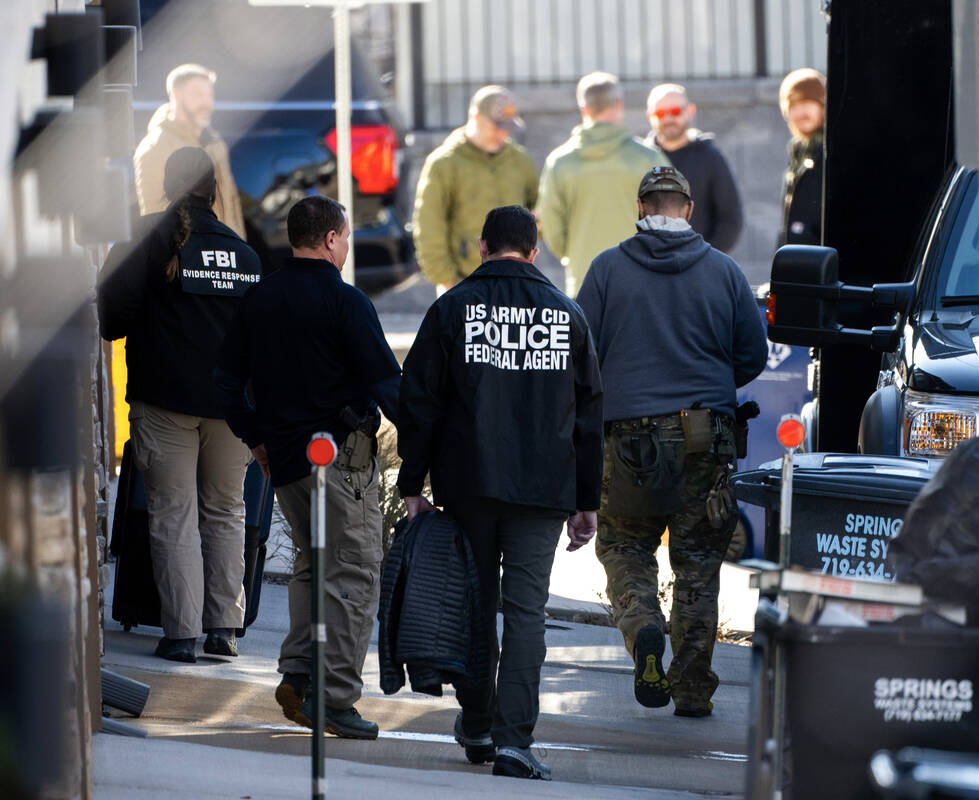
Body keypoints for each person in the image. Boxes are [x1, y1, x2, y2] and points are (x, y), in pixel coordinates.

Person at [395, 205, 603, 779]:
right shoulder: (568, 316)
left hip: (469, 485)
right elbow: (589, 419)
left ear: (483, 247)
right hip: (543, 491)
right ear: (535, 252)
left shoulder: (451, 309)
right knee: (527, 613)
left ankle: (480, 721)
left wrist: (412, 482)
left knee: (476, 606)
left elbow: (421, 404)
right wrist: (588, 502)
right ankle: (514, 742)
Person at [576, 166, 767, 718]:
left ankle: (643, 631)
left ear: (641, 208)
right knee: (699, 563)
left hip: (630, 439)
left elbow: (580, 352)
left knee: (623, 545)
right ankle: (690, 689)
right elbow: (751, 354)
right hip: (707, 435)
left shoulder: (607, 269)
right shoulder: (725, 272)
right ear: (686, 209)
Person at [215, 195, 403, 740]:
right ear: (330, 239)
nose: (347, 246)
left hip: (287, 461)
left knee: (311, 565)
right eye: (345, 236)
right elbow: (389, 386)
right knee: (354, 572)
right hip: (341, 460)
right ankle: (335, 698)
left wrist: (256, 439)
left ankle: (298, 676)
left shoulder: (260, 298)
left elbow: (226, 384)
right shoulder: (346, 303)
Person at [98, 147, 262, 663]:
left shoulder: (143, 239)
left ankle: (182, 635)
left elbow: (111, 319)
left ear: (167, 186)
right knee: (226, 512)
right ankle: (224, 629)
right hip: (230, 409)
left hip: (164, 401)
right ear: (214, 192)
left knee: (173, 515)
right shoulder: (244, 252)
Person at [537, 72, 668, 296]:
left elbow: (551, 227)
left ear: (583, 109)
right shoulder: (649, 159)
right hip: (640, 279)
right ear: (619, 104)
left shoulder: (560, 162)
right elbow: (669, 218)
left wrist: (574, 253)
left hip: (584, 279)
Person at [413, 85, 539, 295]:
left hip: (514, 282)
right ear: (475, 116)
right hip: (463, 282)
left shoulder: (520, 161)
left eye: (507, 127)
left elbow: (536, 210)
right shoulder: (444, 163)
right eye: (496, 126)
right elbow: (429, 225)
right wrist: (445, 279)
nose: (503, 133)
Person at [135, 63, 245, 238]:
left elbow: (231, 203)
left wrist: (239, 245)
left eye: (210, 95)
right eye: (198, 95)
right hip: (190, 259)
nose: (207, 104)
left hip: (227, 254)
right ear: (177, 95)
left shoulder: (215, 144)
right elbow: (155, 215)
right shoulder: (156, 147)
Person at [644, 83, 743, 253]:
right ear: (649, 115)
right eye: (660, 113)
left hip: (699, 267)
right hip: (649, 267)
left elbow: (730, 219)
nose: (668, 119)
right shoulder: (641, 159)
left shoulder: (709, 156)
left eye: (675, 111)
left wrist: (705, 258)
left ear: (690, 110)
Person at [778, 68, 826, 246]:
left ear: (823, 105)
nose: (800, 113)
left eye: (806, 103)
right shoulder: (797, 151)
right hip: (798, 258)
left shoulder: (830, 151)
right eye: (793, 106)